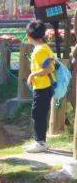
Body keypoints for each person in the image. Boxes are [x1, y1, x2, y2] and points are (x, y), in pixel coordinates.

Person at [26, 20, 57, 153]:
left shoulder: (40, 50)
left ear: (30, 35)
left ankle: (40, 142)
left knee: (38, 114)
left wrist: (32, 75)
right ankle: (41, 141)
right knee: (40, 113)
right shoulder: (44, 47)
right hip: (43, 86)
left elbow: (49, 68)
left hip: (43, 87)